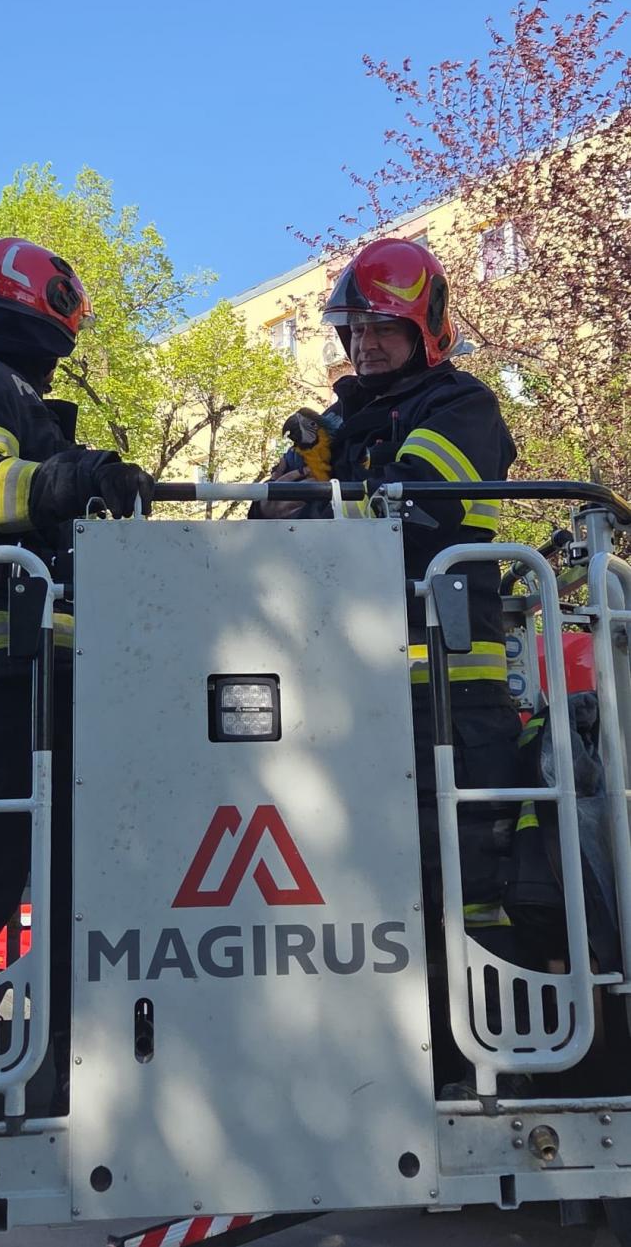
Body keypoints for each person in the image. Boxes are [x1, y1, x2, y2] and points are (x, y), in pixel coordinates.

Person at [253, 236, 524, 1090]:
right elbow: (268, 527)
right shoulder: (334, 423)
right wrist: (286, 491)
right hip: (341, 697)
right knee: (358, 886)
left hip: (450, 687)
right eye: (354, 329)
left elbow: (423, 518)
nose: (364, 344)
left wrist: (322, 497)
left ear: (426, 327)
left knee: (469, 876)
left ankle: (491, 1062)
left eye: (383, 328)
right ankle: (385, 1070)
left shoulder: (464, 407)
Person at [0, 237, 154, 1106]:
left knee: (63, 862)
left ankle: (43, 1050)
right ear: (36, 306)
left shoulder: (6, 390)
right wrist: (73, 477)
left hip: (33, 663)